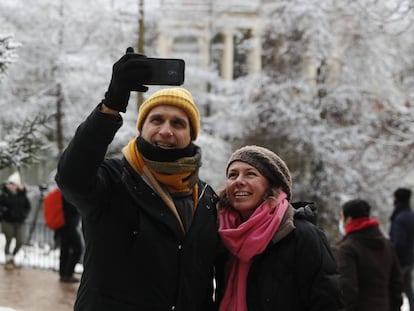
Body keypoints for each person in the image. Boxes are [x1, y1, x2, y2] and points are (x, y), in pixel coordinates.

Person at [55, 47, 221, 310]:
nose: (166, 131)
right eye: (157, 120)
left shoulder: (207, 199)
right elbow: (71, 176)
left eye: (178, 124)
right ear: (141, 128)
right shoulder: (111, 180)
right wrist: (111, 105)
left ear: (192, 136)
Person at [216, 145, 343, 311]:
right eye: (233, 175)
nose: (239, 181)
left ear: (272, 185)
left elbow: (328, 303)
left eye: (250, 174)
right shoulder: (222, 236)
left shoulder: (303, 235)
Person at [336, 199, 403, 311]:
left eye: (342, 217)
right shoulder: (387, 245)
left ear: (349, 219)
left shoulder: (347, 249)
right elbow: (397, 283)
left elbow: (347, 289)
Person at [0, 171, 31, 270]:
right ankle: (8, 259)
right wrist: (4, 211)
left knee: (21, 240)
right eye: (10, 184)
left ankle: (13, 256)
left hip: (20, 221)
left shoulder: (22, 195)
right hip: (7, 221)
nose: (11, 186)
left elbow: (28, 207)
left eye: (13, 184)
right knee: (8, 240)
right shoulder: (4, 195)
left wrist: (24, 215)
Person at [390, 188, 414, 311]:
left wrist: (390, 254)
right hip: (409, 258)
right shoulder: (410, 215)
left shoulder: (400, 218)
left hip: (400, 260)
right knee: (408, 288)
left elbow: (399, 242)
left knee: (395, 288)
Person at [56, 194, 83, 283]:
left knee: (65, 249)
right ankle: (68, 274)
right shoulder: (68, 195)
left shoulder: (63, 193)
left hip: (62, 226)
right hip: (69, 226)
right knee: (78, 249)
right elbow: (72, 208)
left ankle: (63, 273)